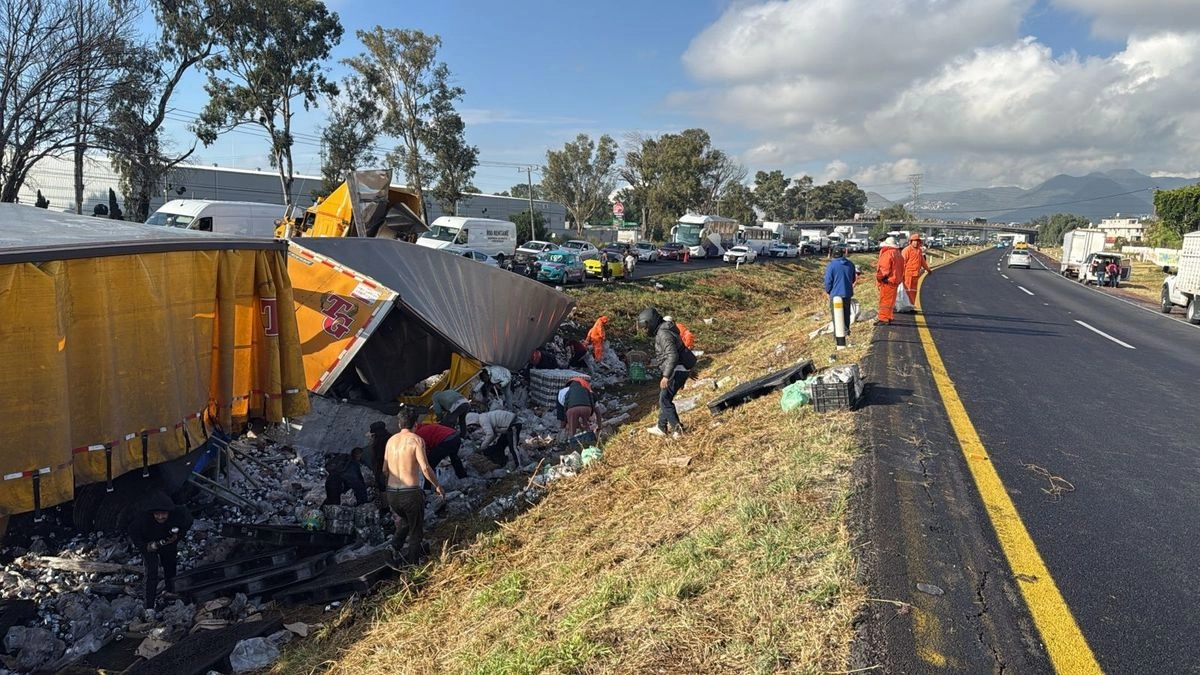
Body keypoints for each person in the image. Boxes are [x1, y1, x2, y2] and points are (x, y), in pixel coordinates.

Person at [382, 406, 442, 567]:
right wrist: (437, 486)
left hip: (392, 495)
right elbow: (425, 468)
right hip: (410, 493)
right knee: (416, 531)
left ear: (399, 424)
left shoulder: (390, 441)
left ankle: (392, 548)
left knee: (408, 521)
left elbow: (384, 470)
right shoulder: (416, 440)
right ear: (415, 424)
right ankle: (412, 567)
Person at [127, 492, 193, 616]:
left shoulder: (179, 514)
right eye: (157, 514)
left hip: (168, 541)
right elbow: (133, 533)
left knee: (170, 566)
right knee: (151, 572)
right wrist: (144, 547)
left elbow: (188, 521)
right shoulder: (142, 520)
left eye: (164, 514)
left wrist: (178, 536)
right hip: (149, 543)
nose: (161, 517)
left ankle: (171, 591)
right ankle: (149, 607)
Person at [638, 307, 689, 438]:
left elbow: (672, 355)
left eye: (645, 327)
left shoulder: (663, 334)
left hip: (675, 370)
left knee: (664, 400)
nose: (645, 330)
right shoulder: (666, 330)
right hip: (680, 369)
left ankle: (678, 430)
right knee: (664, 399)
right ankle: (661, 427)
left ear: (651, 323)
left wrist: (666, 376)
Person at [824, 246, 858, 341]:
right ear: (843, 254)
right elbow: (853, 279)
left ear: (833, 254)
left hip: (835, 294)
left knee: (836, 315)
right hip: (847, 293)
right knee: (846, 313)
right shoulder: (850, 264)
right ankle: (846, 331)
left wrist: (828, 291)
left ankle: (838, 337)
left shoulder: (831, 265)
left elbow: (828, 281)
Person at [874, 236, 905, 326]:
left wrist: (879, 278)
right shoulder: (898, 253)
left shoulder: (887, 253)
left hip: (888, 281)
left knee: (884, 301)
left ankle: (883, 318)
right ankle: (889, 316)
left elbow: (884, 269)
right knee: (891, 301)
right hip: (895, 281)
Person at [901, 233, 932, 310]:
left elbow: (922, 261)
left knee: (913, 291)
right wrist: (901, 274)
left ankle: (911, 306)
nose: (916, 243)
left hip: (915, 274)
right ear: (911, 242)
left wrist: (928, 269)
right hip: (907, 274)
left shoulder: (918, 251)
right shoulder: (906, 250)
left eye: (917, 241)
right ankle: (906, 306)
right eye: (914, 241)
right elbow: (902, 262)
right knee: (907, 291)